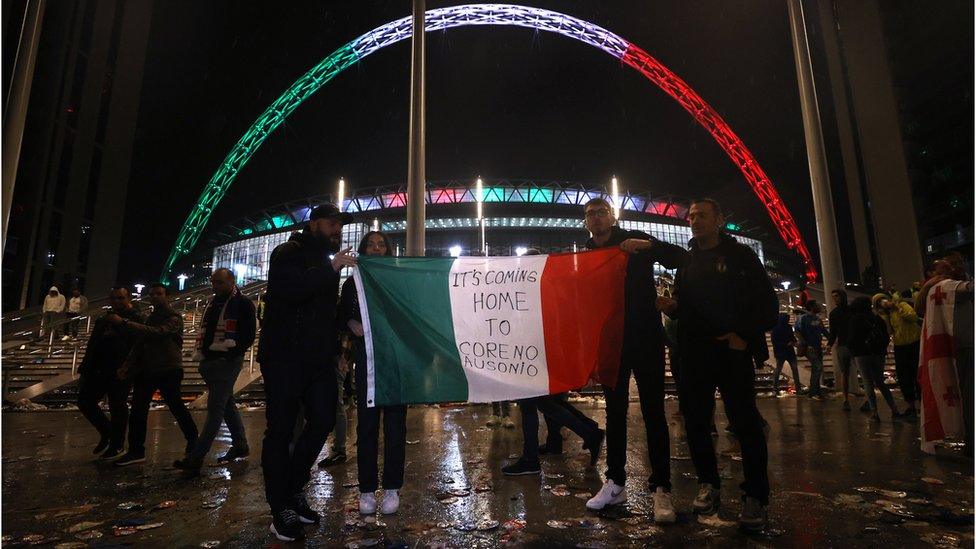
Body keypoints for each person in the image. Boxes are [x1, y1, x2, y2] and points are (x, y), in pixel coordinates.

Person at [670, 198, 777, 530]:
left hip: (732, 354)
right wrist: (669, 307)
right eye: (692, 216)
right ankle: (709, 484)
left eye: (702, 215)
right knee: (698, 424)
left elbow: (767, 304)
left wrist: (742, 336)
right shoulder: (686, 262)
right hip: (696, 355)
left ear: (720, 218)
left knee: (744, 423)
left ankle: (755, 495)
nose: (695, 221)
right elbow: (684, 308)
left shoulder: (741, 257)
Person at [582, 197, 689, 525]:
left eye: (601, 212)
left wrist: (647, 245)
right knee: (614, 413)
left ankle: (661, 487)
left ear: (612, 217)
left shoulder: (635, 241)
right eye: (590, 214)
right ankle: (615, 482)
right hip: (611, 343)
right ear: (586, 222)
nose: (597, 218)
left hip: (644, 340)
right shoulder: (588, 255)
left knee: (653, 412)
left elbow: (679, 258)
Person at [257, 203, 355, 542]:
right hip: (285, 357)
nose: (336, 229)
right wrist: (332, 268)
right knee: (280, 430)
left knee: (324, 419)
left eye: (339, 225)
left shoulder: (328, 266)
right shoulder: (288, 252)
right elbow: (292, 291)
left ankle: (294, 487)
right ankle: (280, 506)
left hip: (318, 359)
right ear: (313, 224)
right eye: (331, 223)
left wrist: (344, 337)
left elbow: (326, 310)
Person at [174, 268, 257, 471]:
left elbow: (248, 334)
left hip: (226, 361)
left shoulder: (243, 303)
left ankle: (196, 457)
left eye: (219, 282)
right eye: (213, 282)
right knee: (226, 403)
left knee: (215, 410)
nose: (215, 286)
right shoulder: (212, 304)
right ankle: (240, 445)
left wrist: (232, 352)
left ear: (232, 282)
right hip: (209, 361)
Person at [111, 283, 199, 466]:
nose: (154, 297)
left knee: (176, 407)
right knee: (138, 410)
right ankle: (136, 450)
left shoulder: (174, 317)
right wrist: (126, 366)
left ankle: (194, 441)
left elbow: (159, 333)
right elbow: (139, 345)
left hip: (168, 369)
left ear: (167, 296)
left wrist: (125, 323)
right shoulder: (149, 318)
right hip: (148, 369)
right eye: (151, 294)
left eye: (158, 294)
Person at [76, 287, 142, 460]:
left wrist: (129, 368)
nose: (117, 302)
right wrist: (84, 368)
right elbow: (93, 345)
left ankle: (117, 444)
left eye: (120, 298)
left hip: (121, 370)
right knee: (84, 401)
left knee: (117, 406)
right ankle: (107, 432)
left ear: (129, 299)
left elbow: (138, 345)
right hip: (98, 369)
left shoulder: (136, 318)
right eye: (113, 298)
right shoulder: (103, 319)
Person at [848, 297, 901, 422]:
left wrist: (853, 351)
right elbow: (886, 336)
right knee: (880, 382)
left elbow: (851, 339)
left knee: (867, 382)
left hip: (861, 354)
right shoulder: (877, 319)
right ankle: (894, 409)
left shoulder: (855, 319)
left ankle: (874, 412)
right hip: (878, 354)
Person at [875, 293, 921, 416]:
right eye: (878, 302)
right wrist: (885, 316)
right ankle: (910, 406)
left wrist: (897, 308)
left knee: (918, 374)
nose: (882, 303)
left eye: (882, 300)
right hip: (900, 346)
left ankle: (922, 404)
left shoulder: (902, 305)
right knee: (904, 376)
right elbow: (889, 331)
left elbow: (913, 317)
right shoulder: (888, 315)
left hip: (914, 342)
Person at [827, 289, 856, 410]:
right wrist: (830, 344)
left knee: (857, 371)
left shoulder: (852, 310)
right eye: (833, 297)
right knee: (845, 372)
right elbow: (833, 331)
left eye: (837, 296)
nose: (835, 299)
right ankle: (845, 399)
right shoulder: (833, 314)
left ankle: (862, 399)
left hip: (854, 344)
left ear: (842, 297)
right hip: (843, 345)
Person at [795, 301, 829, 399]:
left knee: (816, 369)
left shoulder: (817, 319)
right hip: (809, 348)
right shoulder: (804, 318)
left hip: (817, 347)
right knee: (817, 367)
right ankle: (813, 392)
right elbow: (797, 331)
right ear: (811, 307)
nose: (819, 306)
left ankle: (816, 392)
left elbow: (824, 331)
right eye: (817, 305)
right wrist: (805, 343)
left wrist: (831, 341)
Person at [770, 313, 800, 395]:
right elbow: (791, 337)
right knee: (795, 370)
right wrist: (791, 343)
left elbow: (774, 341)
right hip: (789, 351)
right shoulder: (788, 327)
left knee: (778, 370)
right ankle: (798, 389)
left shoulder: (775, 328)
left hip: (780, 352)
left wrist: (792, 342)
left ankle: (775, 389)